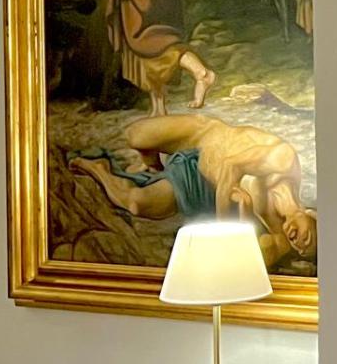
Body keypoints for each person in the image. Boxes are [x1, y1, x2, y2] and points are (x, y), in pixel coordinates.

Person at [70, 113, 317, 270]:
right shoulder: (284, 161)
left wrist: (244, 213)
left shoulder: (277, 230)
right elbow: (230, 165)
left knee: (137, 203)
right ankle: (155, 168)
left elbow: (251, 255)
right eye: (307, 238)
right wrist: (224, 228)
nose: (297, 243)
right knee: (135, 136)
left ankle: (98, 169)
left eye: (301, 249)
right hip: (206, 135)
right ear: (312, 215)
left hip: (201, 181)